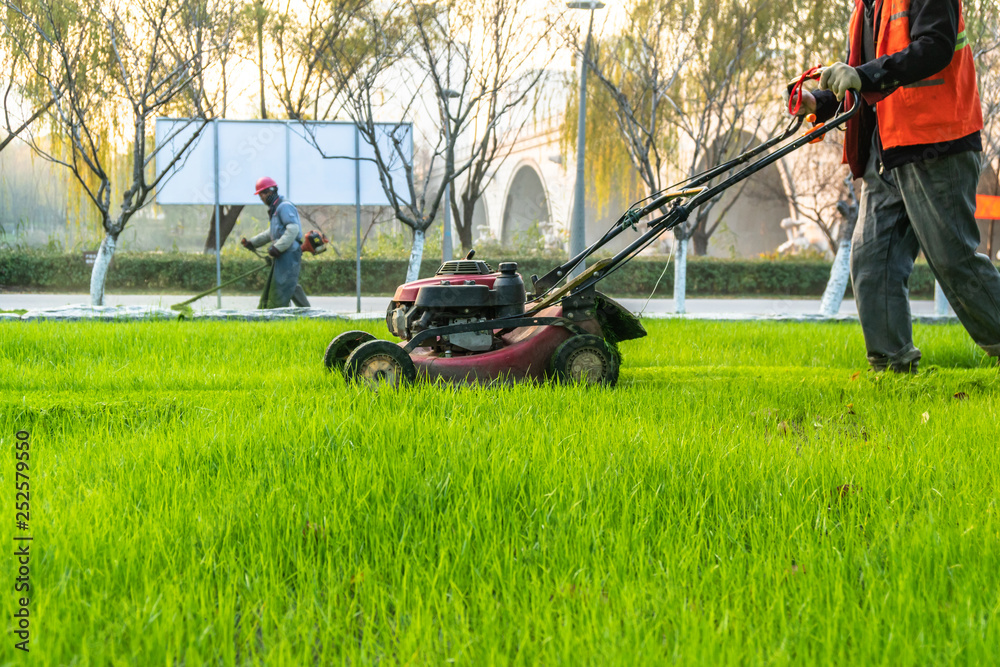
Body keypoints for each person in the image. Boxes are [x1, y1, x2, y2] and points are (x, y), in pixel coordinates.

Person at [791, 0, 1000, 372]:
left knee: (955, 262)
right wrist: (819, 101)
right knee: (873, 260)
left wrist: (863, 76)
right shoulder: (870, 5)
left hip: (936, 144)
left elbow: (934, 46)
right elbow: (861, 73)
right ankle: (891, 368)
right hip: (887, 146)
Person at [241, 176, 310, 309]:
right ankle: (309, 313)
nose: (261, 199)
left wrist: (277, 248)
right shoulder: (276, 208)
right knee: (289, 284)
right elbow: (272, 233)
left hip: (288, 252)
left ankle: (278, 314)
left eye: (262, 195)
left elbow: (293, 229)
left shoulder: (284, 206)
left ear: (270, 192)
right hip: (283, 252)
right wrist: (253, 243)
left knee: (281, 286)